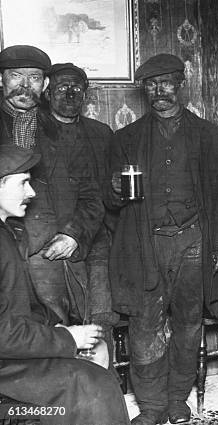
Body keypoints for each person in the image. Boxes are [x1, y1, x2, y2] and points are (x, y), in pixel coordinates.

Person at [107, 53, 218, 425]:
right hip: (146, 245)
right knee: (144, 325)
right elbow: (110, 202)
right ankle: (150, 406)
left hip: (194, 242)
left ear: (181, 84)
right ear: (144, 90)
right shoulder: (126, 138)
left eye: (166, 82)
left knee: (187, 323)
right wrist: (115, 190)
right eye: (151, 84)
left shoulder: (209, 135)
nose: (159, 90)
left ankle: (178, 399)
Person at [0, 144, 129, 425]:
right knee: (91, 385)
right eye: (23, 182)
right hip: (5, 365)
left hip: (12, 354)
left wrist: (59, 327)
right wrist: (69, 340)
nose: (32, 192)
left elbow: (27, 304)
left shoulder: (9, 234)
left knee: (98, 367)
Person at [0, 45, 105, 327]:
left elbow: (91, 198)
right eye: (15, 76)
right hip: (3, 259)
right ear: (1, 79)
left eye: (33, 77)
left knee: (62, 343)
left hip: (49, 259)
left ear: (44, 83)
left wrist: (73, 235)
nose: (24, 85)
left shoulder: (62, 132)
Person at [42, 62, 118, 362]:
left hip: (95, 234)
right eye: (62, 87)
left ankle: (104, 380)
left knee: (100, 314)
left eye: (77, 87)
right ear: (47, 93)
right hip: (50, 237)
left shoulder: (101, 133)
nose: (70, 93)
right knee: (56, 315)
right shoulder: (35, 130)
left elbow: (107, 192)